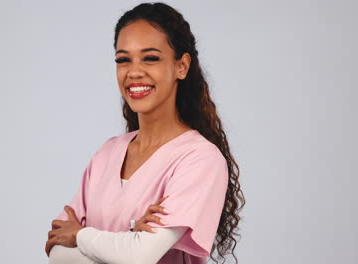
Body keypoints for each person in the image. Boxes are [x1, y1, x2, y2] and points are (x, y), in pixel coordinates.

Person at [45, 2, 245, 264]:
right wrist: (128, 238)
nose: (134, 72)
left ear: (181, 66)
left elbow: (138, 256)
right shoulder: (108, 153)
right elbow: (58, 251)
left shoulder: (200, 159)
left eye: (150, 58)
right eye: (123, 59)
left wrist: (82, 237)